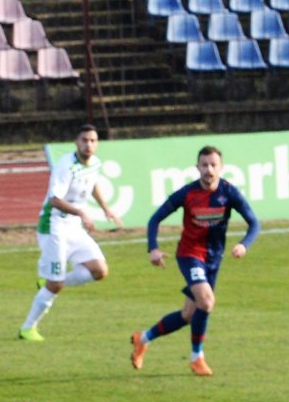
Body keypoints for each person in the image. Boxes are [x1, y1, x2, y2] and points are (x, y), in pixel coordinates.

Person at [130, 144, 260, 376]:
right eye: (204, 165)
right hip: (190, 254)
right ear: (197, 167)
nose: (209, 170)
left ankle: (143, 338)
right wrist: (153, 248)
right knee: (207, 302)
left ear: (221, 167)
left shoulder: (229, 193)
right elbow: (154, 219)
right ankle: (196, 356)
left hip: (214, 258)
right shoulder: (187, 194)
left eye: (213, 165)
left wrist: (243, 244)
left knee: (188, 315)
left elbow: (254, 223)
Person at [19, 124, 123, 343]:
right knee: (54, 286)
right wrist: (82, 213)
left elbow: (93, 183)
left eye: (93, 141)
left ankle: (49, 282)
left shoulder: (95, 163)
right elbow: (55, 200)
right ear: (76, 142)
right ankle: (28, 328)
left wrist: (105, 208)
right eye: (84, 140)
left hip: (73, 226)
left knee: (99, 270)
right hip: (53, 225)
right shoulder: (65, 166)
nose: (88, 145)